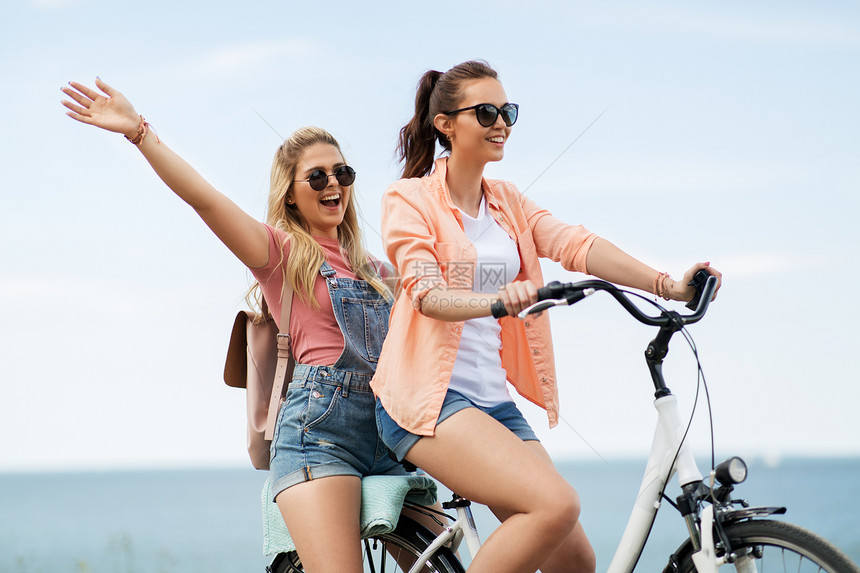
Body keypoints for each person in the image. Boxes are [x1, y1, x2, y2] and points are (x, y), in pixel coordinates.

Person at [61, 79, 429, 573]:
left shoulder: (377, 270)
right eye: (316, 177)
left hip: (390, 432)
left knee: (441, 560)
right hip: (321, 438)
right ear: (293, 196)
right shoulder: (281, 253)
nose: (333, 184)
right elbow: (207, 201)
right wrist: (139, 132)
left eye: (341, 172)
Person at [371, 60, 723, 573]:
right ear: (445, 123)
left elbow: (574, 243)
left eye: (508, 111)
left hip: (492, 400)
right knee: (557, 504)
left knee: (576, 561)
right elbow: (425, 293)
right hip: (428, 401)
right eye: (486, 112)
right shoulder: (409, 199)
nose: (501, 124)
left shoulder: (508, 202)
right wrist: (498, 301)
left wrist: (668, 285)